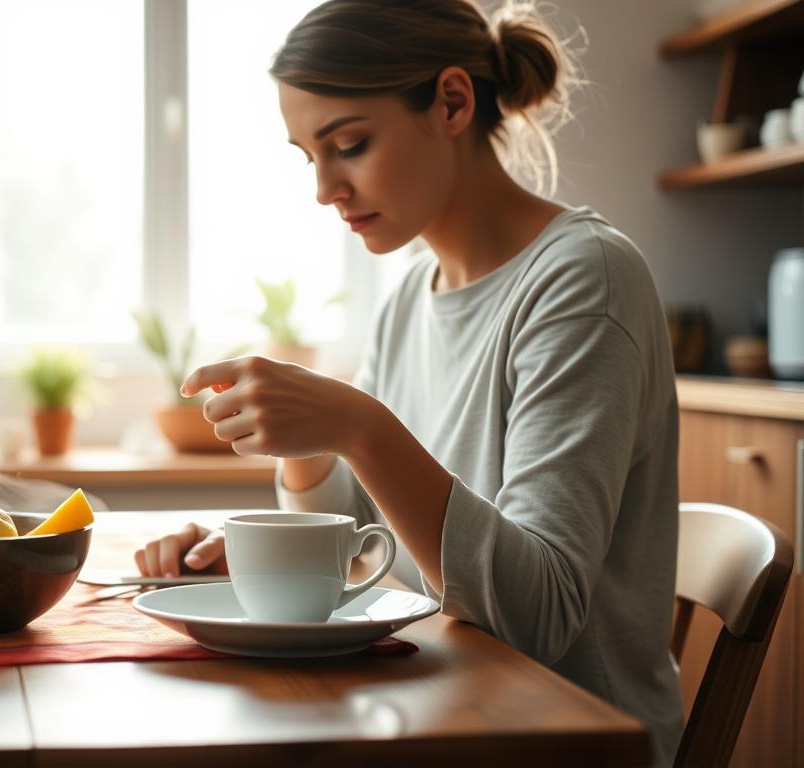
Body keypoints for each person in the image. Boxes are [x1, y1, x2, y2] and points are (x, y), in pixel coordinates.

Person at [132, 1, 684, 764]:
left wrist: (359, 426)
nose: (325, 187)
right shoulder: (408, 296)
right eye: (308, 156)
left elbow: (538, 618)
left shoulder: (583, 279)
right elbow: (371, 544)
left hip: (563, 739)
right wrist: (279, 530)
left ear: (452, 102)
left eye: (349, 144)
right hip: (441, 709)